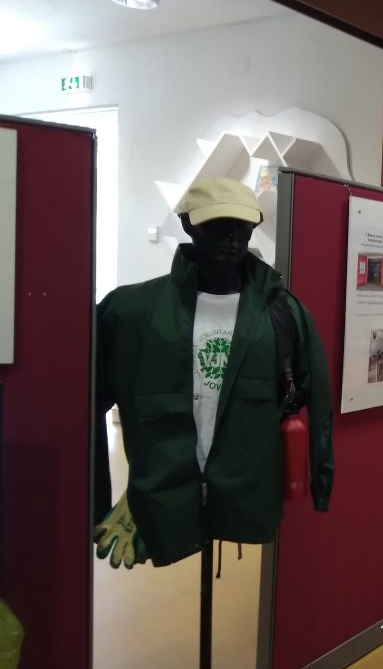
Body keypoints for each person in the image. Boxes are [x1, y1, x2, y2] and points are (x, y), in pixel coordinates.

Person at [92, 177, 334, 568]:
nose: (232, 237)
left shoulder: (282, 313)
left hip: (247, 488)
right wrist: (110, 497)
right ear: (188, 224)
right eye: (217, 224)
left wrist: (320, 481)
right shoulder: (132, 311)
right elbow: (85, 405)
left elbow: (318, 400)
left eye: (243, 225)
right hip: (163, 491)